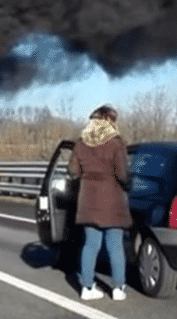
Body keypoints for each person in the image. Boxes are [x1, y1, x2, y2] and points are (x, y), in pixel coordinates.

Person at [68, 105, 132, 301]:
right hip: (112, 201)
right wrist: (129, 184)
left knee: (90, 245)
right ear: (110, 121)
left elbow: (72, 172)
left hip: (88, 200)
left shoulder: (80, 144)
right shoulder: (115, 143)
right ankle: (118, 288)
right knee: (115, 246)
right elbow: (122, 174)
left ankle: (87, 288)